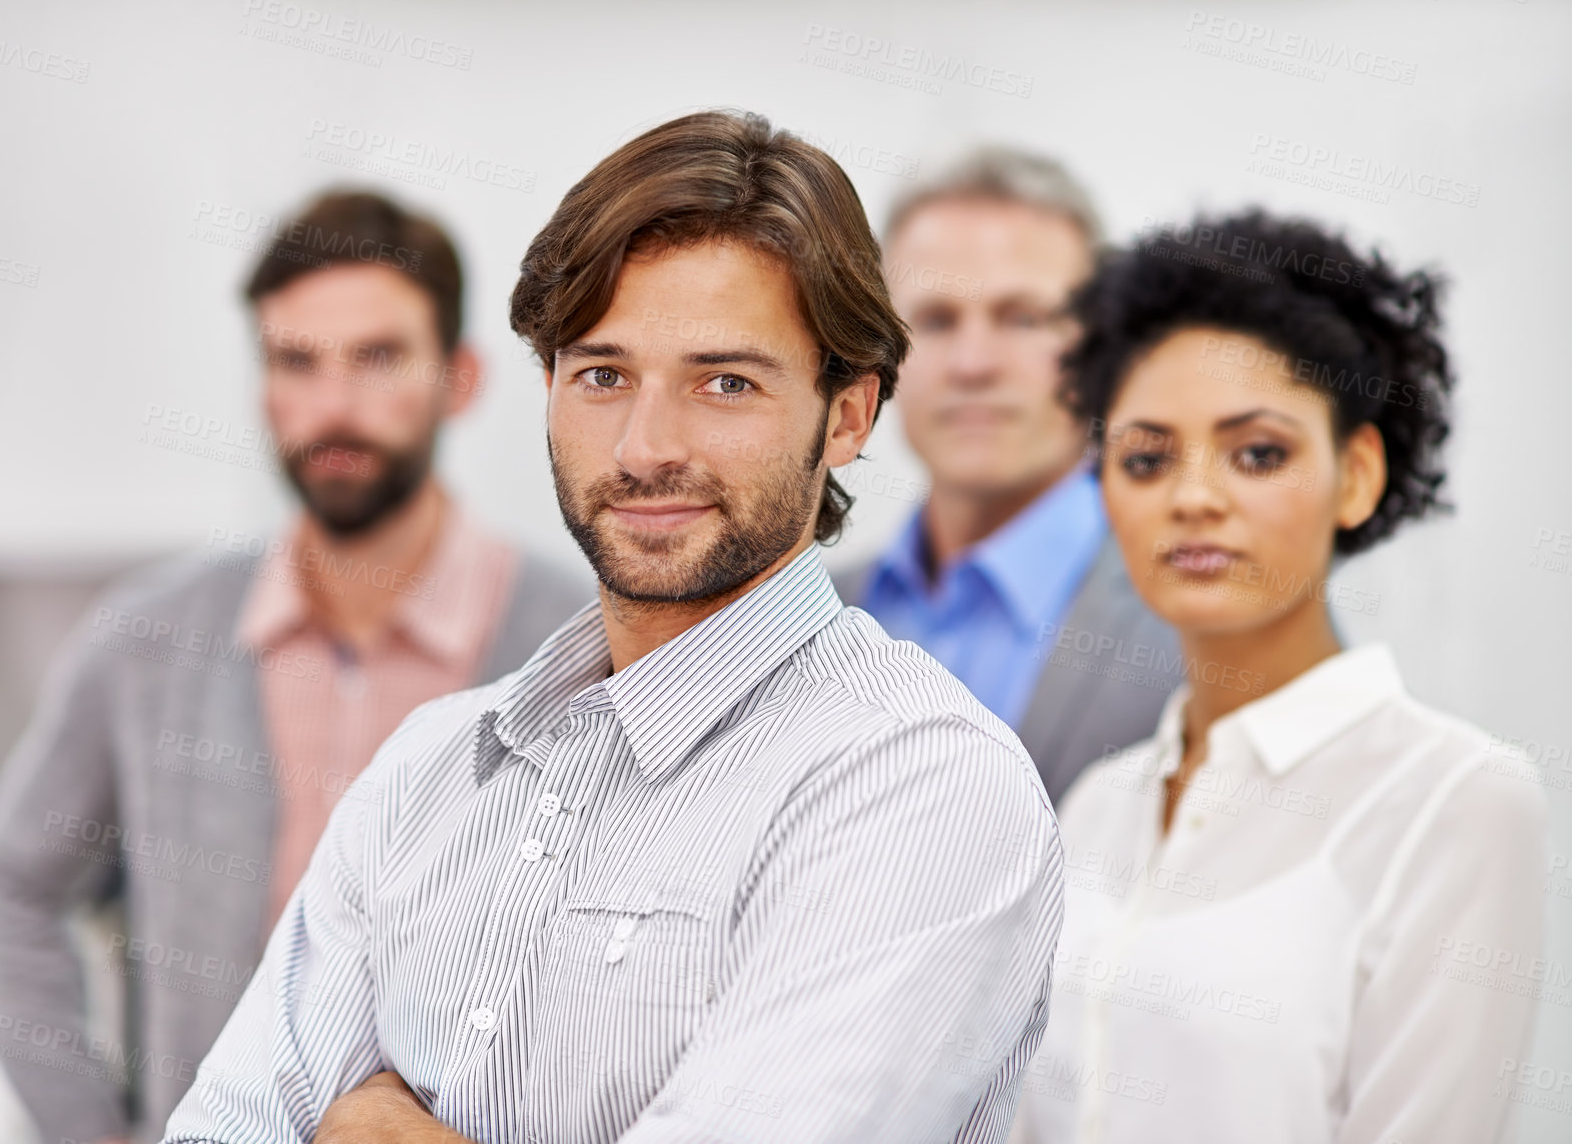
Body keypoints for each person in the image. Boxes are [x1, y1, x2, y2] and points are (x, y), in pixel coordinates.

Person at [163, 110, 1064, 1144]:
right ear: (548, 390)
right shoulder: (429, 771)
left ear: (849, 415)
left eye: (725, 382)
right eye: (602, 376)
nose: (645, 446)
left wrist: (383, 1129)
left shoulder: (921, 788)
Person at [0, 191, 591, 1144]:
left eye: (376, 358)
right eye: (296, 361)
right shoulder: (151, 638)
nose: (332, 405)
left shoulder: (576, 643)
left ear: (458, 379)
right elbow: (9, 881)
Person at [1010, 211, 1548, 1142]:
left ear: (1358, 473)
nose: (1192, 495)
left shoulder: (1455, 799)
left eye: (1257, 452)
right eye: (1145, 458)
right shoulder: (1097, 801)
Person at [837, 149, 1175, 805]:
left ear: (1102, 343)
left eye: (1023, 317)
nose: (973, 363)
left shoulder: (1202, 616)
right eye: (934, 320)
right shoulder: (806, 613)